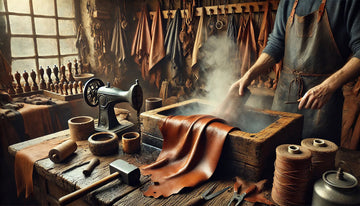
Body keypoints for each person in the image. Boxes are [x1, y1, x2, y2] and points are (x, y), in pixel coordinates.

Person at [230, 0, 360, 145]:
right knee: (274, 152)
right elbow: (275, 44)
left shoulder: (348, 3)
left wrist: (328, 86)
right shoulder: (287, 2)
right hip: (285, 95)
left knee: (316, 158)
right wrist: (248, 76)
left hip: (322, 103)